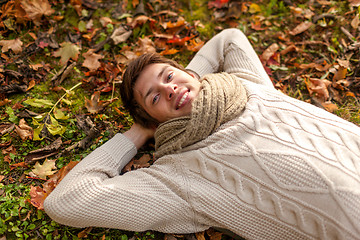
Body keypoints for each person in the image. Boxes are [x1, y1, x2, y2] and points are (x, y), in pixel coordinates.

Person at [44, 28, 360, 240]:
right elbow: (66, 202)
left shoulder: (245, 85)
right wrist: (135, 135)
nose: (169, 88)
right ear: (154, 122)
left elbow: (229, 39)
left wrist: (190, 80)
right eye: (154, 97)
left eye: (169, 75)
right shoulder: (176, 177)